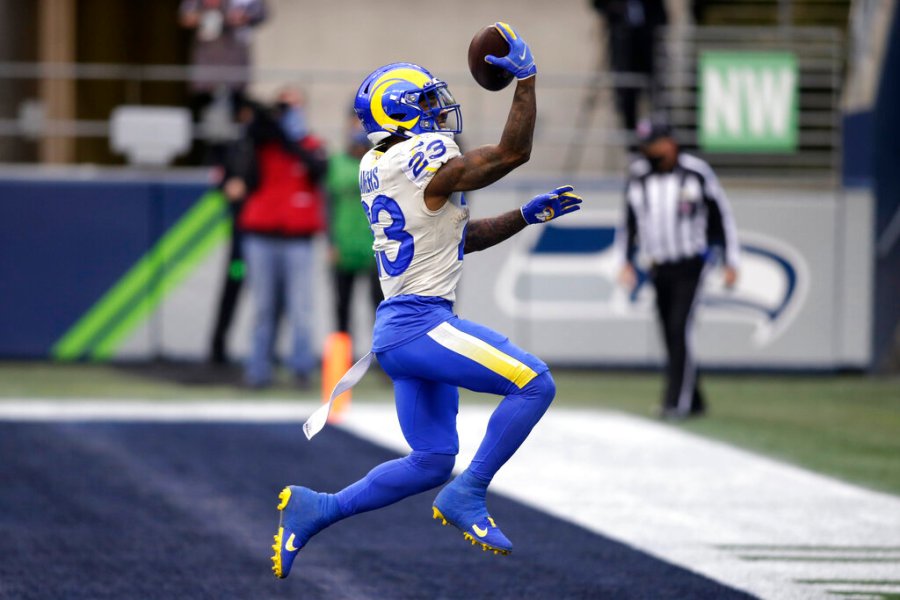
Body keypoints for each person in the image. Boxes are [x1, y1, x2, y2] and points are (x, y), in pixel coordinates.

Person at [270, 23, 584, 579]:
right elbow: (513, 151)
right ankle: (471, 494)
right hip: (419, 325)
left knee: (432, 459)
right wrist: (527, 81)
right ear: (399, 115)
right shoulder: (417, 159)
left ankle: (316, 509)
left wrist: (525, 215)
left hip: (401, 330)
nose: (440, 114)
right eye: (426, 105)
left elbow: (461, 238)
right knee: (534, 382)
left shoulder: (381, 166)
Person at [618, 117, 740, 419]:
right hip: (658, 266)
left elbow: (722, 216)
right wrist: (624, 261)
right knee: (669, 332)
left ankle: (677, 403)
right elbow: (629, 221)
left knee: (679, 328)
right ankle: (695, 399)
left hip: (691, 264)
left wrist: (730, 260)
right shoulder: (638, 176)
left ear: (669, 142)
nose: (649, 151)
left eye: (653, 144)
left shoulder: (696, 173)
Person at [237, 89, 328, 389]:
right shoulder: (263, 143)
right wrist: (267, 126)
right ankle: (258, 369)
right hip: (261, 235)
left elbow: (318, 170)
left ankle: (301, 368)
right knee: (264, 307)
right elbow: (245, 162)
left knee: (300, 307)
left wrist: (291, 141)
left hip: (298, 238)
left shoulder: (311, 144)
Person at [325, 112, 383, 337]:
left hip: (375, 248)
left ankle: (382, 359)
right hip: (344, 247)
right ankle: (342, 362)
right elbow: (327, 206)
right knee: (342, 307)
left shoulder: (382, 162)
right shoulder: (336, 163)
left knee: (379, 306)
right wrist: (331, 243)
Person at [591, 0, 668, 133]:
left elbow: (662, 14)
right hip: (622, 44)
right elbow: (598, 5)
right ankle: (632, 141)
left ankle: (657, 136)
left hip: (648, 44)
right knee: (627, 94)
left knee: (655, 94)